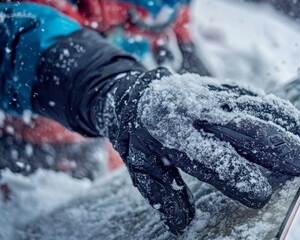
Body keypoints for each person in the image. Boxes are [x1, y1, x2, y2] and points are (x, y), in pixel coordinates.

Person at [0, 2, 300, 234]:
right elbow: (15, 28)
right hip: (31, 130)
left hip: (110, 105)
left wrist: (197, 84)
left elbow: (174, 22)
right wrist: (102, 84)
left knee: (143, 140)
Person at [0, 0, 209, 183]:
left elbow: (175, 16)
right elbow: (17, 35)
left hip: (106, 71)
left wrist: (188, 52)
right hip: (38, 117)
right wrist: (100, 81)